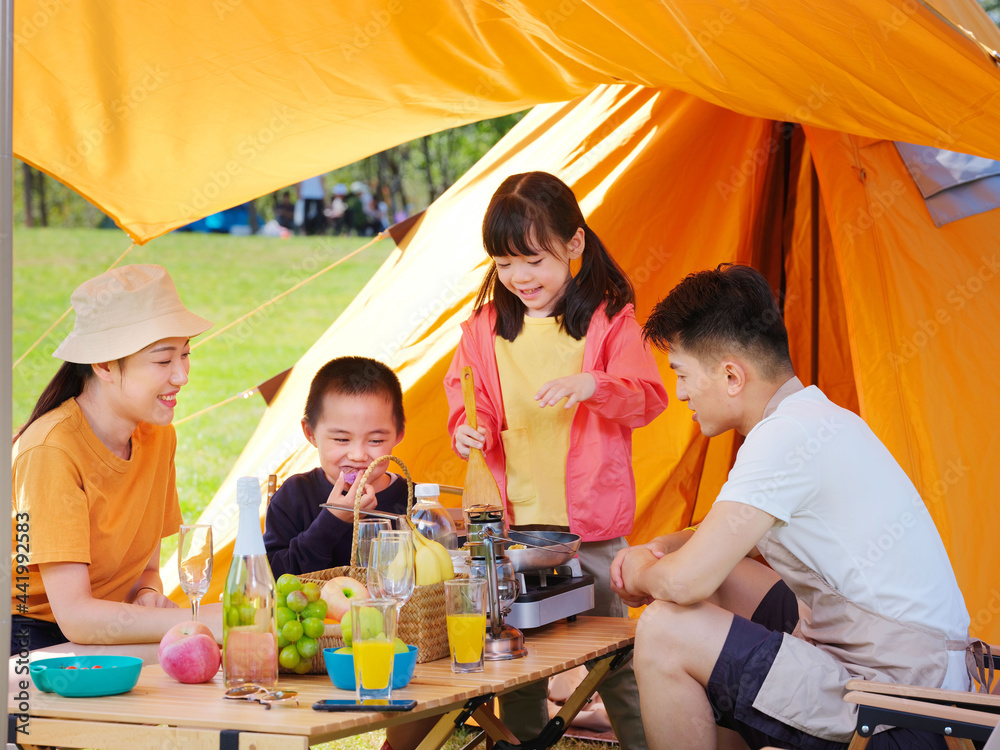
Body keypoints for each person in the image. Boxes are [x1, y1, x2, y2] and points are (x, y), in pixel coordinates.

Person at [611, 264, 972, 750]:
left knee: (663, 628)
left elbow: (684, 581)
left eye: (682, 374)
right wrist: (664, 546)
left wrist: (639, 573)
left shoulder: (783, 439)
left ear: (732, 375)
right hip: (917, 668)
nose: (680, 394)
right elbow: (724, 538)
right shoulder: (815, 417)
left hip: (904, 711)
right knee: (727, 580)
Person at [444, 171, 668, 750]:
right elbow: (471, 402)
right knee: (515, 656)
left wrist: (593, 384)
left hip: (588, 532)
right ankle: (515, 741)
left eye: (534, 260)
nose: (519, 277)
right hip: (512, 527)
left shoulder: (611, 321)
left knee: (613, 657)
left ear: (575, 245)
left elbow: (646, 399)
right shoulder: (484, 330)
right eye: (503, 263)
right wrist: (469, 431)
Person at [10, 264, 222, 657]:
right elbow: (75, 617)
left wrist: (146, 593)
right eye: (163, 361)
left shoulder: (159, 435)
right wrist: (205, 621)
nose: (182, 376)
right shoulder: (50, 451)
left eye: (186, 355)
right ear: (104, 365)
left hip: (110, 633)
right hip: (33, 642)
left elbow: (144, 569)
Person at [263, 356, 408, 578]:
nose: (358, 456)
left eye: (376, 441)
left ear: (398, 434)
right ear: (310, 433)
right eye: (341, 439)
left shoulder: (414, 501)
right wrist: (332, 519)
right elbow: (271, 578)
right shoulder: (294, 496)